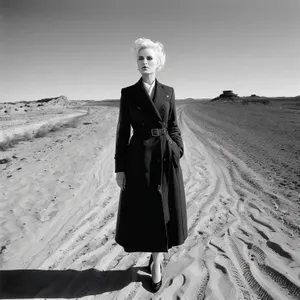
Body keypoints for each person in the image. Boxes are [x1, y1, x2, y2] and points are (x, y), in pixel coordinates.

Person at [114, 37, 187, 292]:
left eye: (149, 58)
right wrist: (120, 168)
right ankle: (155, 254)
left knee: (164, 209)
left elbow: (174, 125)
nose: (145, 62)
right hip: (139, 160)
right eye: (140, 58)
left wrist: (177, 149)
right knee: (146, 210)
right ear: (137, 63)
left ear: (158, 63)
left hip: (166, 157)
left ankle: (157, 261)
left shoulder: (169, 92)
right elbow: (123, 132)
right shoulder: (128, 93)